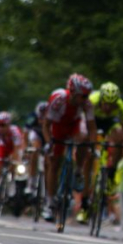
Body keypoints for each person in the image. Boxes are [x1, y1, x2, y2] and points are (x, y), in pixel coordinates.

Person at [43, 74, 96, 224]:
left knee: (84, 138)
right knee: (54, 163)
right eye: (83, 96)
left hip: (73, 125)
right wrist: (49, 144)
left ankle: (78, 169)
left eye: (88, 96)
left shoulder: (87, 104)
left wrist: (91, 147)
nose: (86, 99)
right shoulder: (58, 98)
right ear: (73, 92)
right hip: (58, 126)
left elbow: (92, 128)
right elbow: (46, 125)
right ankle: (50, 202)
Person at [87, 82, 123, 183]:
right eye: (106, 103)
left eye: (112, 105)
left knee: (120, 136)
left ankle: (113, 169)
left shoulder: (121, 106)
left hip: (108, 121)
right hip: (93, 120)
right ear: (101, 100)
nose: (108, 108)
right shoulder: (92, 101)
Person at [0, 111, 23, 211]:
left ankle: (12, 181)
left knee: (13, 164)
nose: (1, 128)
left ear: (8, 124)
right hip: (4, 147)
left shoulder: (15, 131)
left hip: (14, 148)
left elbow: (16, 149)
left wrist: (13, 160)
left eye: (3, 125)